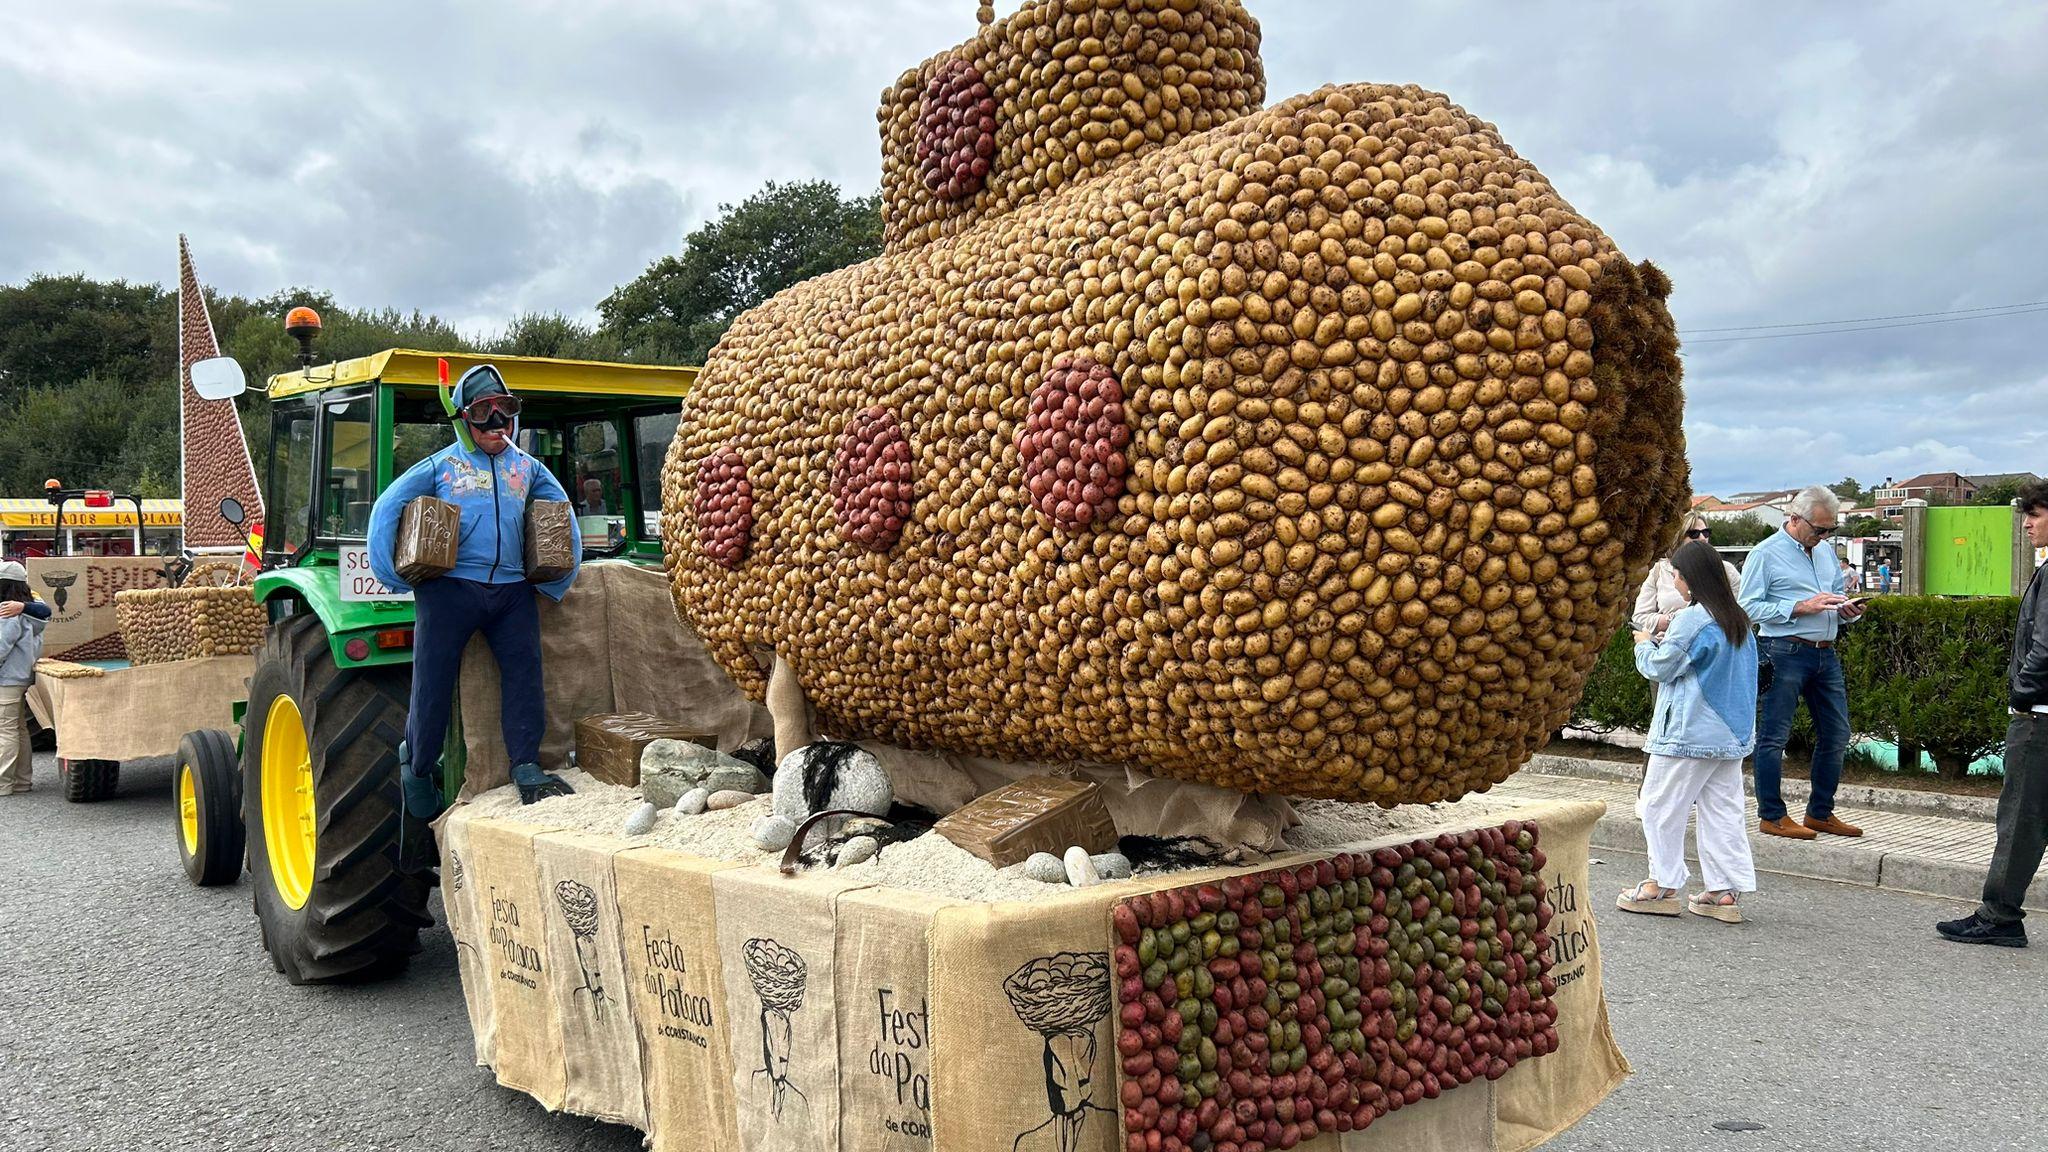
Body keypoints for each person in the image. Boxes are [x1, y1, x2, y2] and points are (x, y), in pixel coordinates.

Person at [367, 364, 581, 824]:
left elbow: (562, 510)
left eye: (505, 409)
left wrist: (560, 579)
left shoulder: (526, 468)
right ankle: (417, 764)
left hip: (512, 591)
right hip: (450, 590)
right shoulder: (442, 466)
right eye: (484, 412)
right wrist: (391, 574)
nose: (497, 423)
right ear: (463, 418)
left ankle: (525, 764)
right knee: (432, 680)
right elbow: (388, 506)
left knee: (525, 674)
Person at [1616, 540, 1760, 922]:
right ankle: (1724, 891)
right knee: (1723, 812)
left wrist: (1643, 645)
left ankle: (1661, 886)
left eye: (1677, 576)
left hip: (1688, 732)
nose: (1676, 582)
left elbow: (1661, 668)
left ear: (1691, 578)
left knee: (1658, 805)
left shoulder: (1692, 619)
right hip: (1730, 735)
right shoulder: (1738, 619)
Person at [1937, 480, 2048, 947]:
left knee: (2021, 821)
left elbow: (2044, 647)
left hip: (2039, 718)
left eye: (2035, 515)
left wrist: (2022, 695)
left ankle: (1999, 916)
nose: (2026, 524)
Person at [1738, 486, 1865, 840]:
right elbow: (1747, 607)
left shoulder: (1824, 553)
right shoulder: (1764, 554)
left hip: (1825, 651)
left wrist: (1848, 611)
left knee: (1837, 733)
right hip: (1782, 651)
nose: (1824, 537)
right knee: (1774, 736)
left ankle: (1820, 812)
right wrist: (1799, 607)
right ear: (1794, 519)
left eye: (1831, 530)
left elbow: (1834, 600)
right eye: (1819, 529)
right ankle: (1772, 815)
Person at [1632, 514, 1742, 637]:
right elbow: (1640, 617)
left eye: (1706, 532)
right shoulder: (1658, 571)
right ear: (1678, 537)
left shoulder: (1726, 570)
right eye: (1694, 534)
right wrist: (1671, 621)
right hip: (1667, 642)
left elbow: (1742, 611)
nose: (1702, 538)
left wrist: (1685, 620)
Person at [0, 563, 46, 796]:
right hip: (21, 676)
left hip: (6, 678)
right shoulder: (30, 608)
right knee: (19, 728)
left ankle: (3, 783)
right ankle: (21, 781)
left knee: (5, 731)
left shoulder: (7, 612)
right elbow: (46, 609)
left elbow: (1, 647)